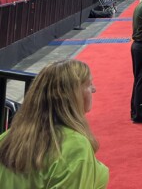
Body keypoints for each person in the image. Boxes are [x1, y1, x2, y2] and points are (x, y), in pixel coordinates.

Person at [0, 59, 109, 188]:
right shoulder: (75, 148)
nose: (94, 89)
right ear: (73, 95)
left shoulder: (6, 138)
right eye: (89, 84)